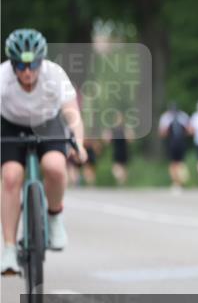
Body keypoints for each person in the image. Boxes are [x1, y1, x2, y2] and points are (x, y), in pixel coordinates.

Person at [1, 29, 86, 274]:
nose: (27, 72)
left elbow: (71, 113)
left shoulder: (54, 74)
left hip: (47, 123)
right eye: (20, 65)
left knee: (55, 167)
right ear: (12, 63)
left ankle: (54, 215)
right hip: (11, 125)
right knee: (10, 177)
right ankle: (8, 249)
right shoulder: (2, 77)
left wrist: (78, 143)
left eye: (33, 65)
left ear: (41, 61)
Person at [158, 102, 191, 193]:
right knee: (181, 163)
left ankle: (175, 182)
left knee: (173, 163)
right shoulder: (183, 116)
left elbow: (162, 133)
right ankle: (180, 181)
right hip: (182, 142)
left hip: (171, 143)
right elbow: (190, 130)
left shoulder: (166, 117)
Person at [106, 111, 131, 186]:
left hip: (123, 149)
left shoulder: (124, 129)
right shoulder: (114, 129)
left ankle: (122, 182)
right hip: (117, 149)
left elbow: (130, 139)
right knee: (117, 168)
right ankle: (122, 181)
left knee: (121, 167)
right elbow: (108, 140)